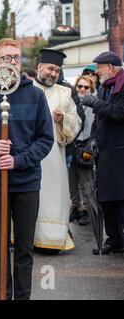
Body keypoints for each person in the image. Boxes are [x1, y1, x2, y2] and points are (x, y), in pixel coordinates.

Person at [0, 38, 54, 299]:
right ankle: (3, 294)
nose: (13, 62)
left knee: (24, 248)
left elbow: (45, 138)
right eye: (6, 58)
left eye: (16, 57)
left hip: (27, 182)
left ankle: (23, 297)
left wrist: (18, 160)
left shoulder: (35, 95)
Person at [32, 49, 81, 253]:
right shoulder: (26, 89)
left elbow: (76, 122)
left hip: (54, 158)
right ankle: (25, 238)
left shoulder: (65, 93)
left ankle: (50, 241)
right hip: (30, 154)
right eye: (51, 69)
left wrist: (64, 120)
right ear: (39, 67)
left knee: (52, 198)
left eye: (57, 71)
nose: (53, 74)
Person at [81, 51, 124, 255]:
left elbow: (118, 112)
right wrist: (93, 139)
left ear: (111, 67)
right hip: (105, 151)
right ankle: (113, 239)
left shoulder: (122, 87)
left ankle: (120, 237)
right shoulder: (104, 88)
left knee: (120, 198)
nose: (97, 72)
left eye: (100, 67)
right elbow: (99, 119)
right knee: (106, 198)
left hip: (120, 151)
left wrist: (95, 103)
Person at [68, 75, 96, 225]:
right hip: (71, 144)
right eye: (79, 86)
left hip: (85, 144)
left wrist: (90, 146)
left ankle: (86, 210)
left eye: (86, 87)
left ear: (91, 89)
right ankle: (76, 208)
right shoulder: (71, 101)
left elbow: (94, 128)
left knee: (86, 181)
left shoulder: (94, 104)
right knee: (71, 180)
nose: (82, 89)